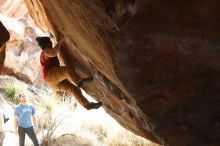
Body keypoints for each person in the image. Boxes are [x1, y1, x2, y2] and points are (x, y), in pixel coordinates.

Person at [36, 34, 102, 110]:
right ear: (47, 44)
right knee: (68, 70)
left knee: (74, 89)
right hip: (50, 76)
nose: (51, 43)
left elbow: (52, 50)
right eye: (49, 42)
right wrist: (60, 41)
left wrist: (51, 37)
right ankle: (78, 81)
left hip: (52, 83)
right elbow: (53, 53)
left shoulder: (46, 50)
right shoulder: (45, 51)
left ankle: (87, 105)